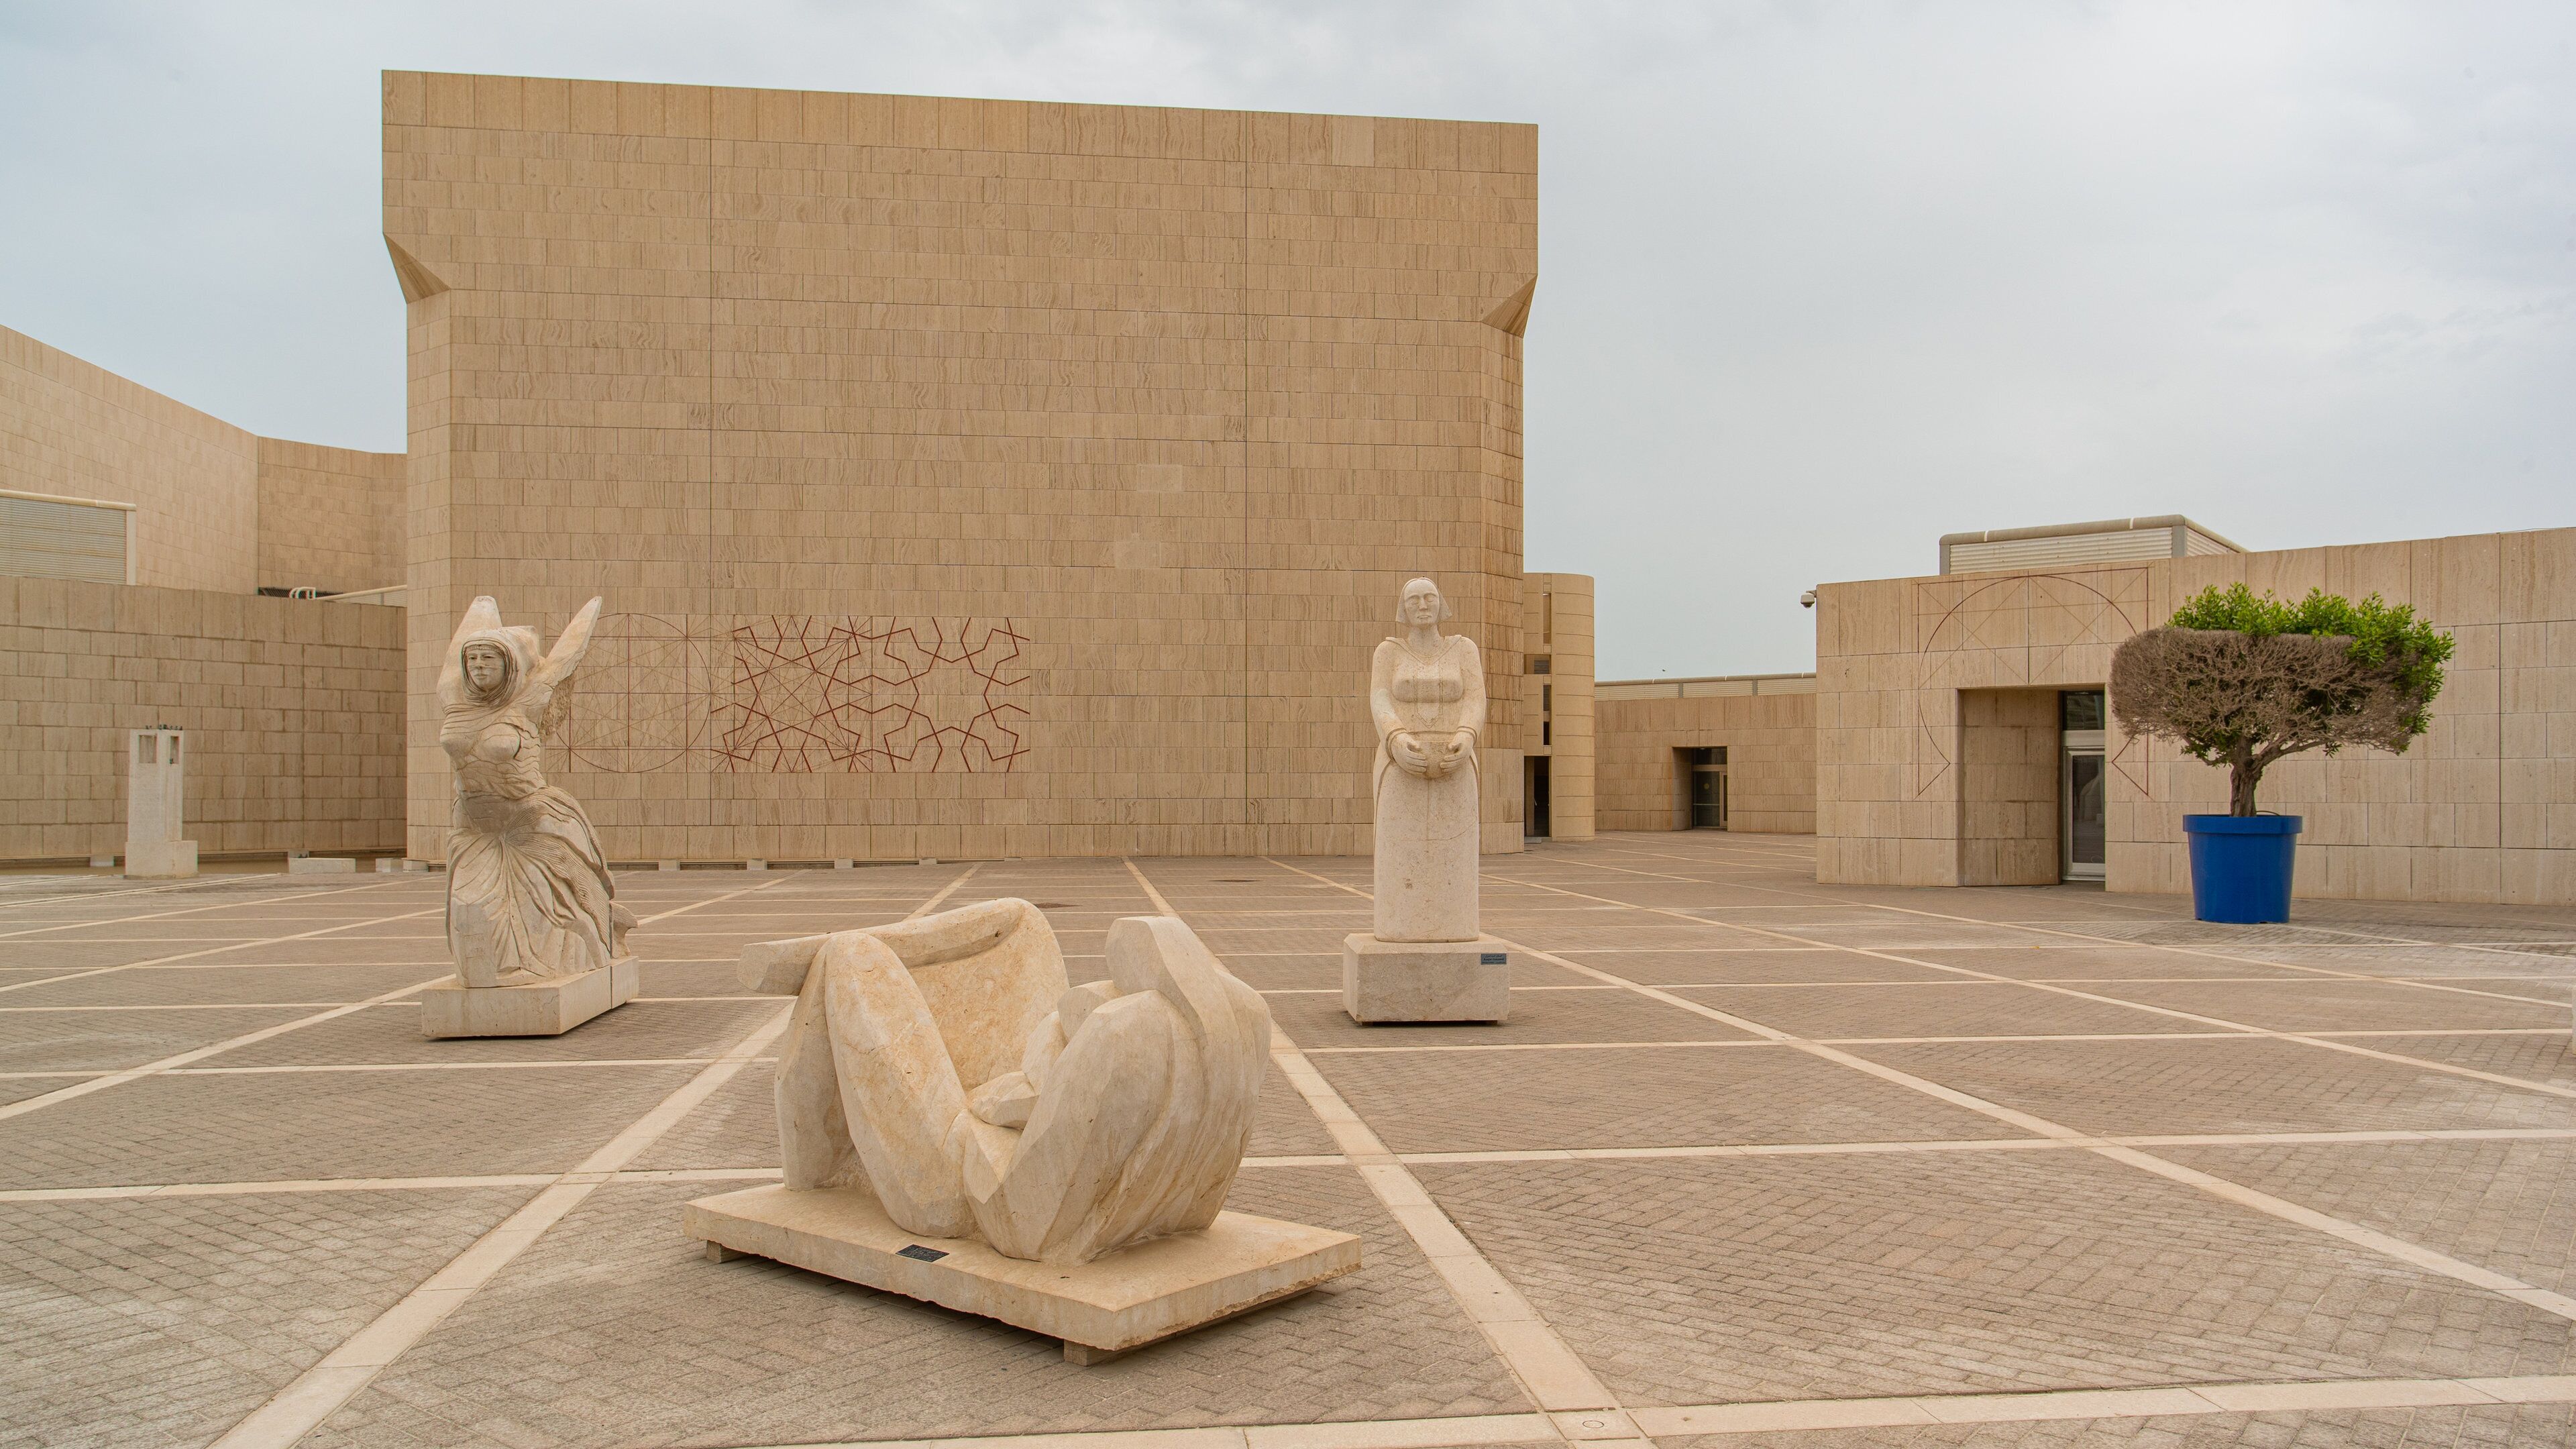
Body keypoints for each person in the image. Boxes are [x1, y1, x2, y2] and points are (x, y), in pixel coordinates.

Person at [438, 596, 631, 987]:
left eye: (488, 659)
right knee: (468, 913)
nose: (478, 667)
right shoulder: (453, 700)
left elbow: (566, 655)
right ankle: (499, 976)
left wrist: (587, 613)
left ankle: (582, 947)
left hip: (527, 821)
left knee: (557, 910)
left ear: (509, 665)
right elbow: (458, 644)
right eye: (472, 659)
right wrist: (481, 612)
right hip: (473, 829)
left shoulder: (529, 702)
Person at [1368, 577, 1486, 942]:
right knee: (1399, 850)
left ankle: (1455, 927)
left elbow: (1476, 696)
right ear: (1403, 609)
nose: (1423, 605)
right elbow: (1380, 698)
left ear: (1441, 604)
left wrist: (1467, 734)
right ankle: (1398, 925)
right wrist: (1396, 738)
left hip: (1455, 764)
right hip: (1401, 763)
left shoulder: (1464, 649)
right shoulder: (1388, 652)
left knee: (1456, 852)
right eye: (1414, 599)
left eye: (1430, 597)